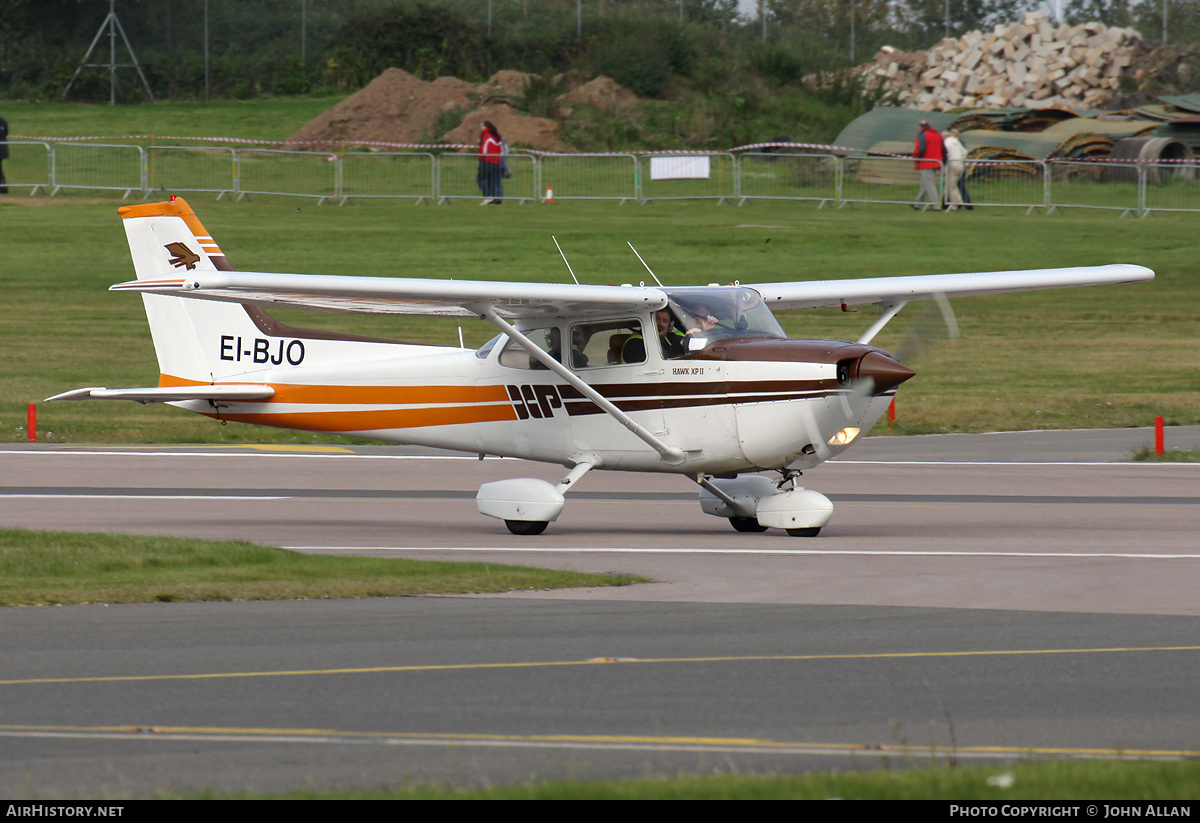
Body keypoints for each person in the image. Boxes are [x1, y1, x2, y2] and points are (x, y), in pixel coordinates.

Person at [912, 120, 943, 211]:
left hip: (926, 162)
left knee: (929, 184)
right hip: (936, 161)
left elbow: (920, 149)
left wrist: (917, 159)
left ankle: (936, 205)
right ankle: (917, 203)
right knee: (924, 183)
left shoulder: (923, 136)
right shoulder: (937, 135)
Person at [477, 120, 503, 205]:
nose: (480, 127)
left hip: (487, 160)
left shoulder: (485, 134)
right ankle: (493, 197)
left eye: (481, 125)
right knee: (492, 180)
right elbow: (501, 149)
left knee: (481, 179)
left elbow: (484, 147)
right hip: (496, 161)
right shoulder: (497, 136)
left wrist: (481, 157)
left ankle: (487, 196)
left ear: (485, 127)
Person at [942, 128, 967, 211]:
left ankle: (956, 203)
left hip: (952, 164)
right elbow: (964, 152)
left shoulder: (948, 141)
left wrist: (946, 161)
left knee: (951, 185)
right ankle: (958, 200)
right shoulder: (958, 142)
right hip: (960, 164)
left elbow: (945, 151)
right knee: (954, 184)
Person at [0, 114, 8, 195]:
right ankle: (3, 187)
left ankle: (3, 187)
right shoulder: (3, 121)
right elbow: (6, 132)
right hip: (2, 149)